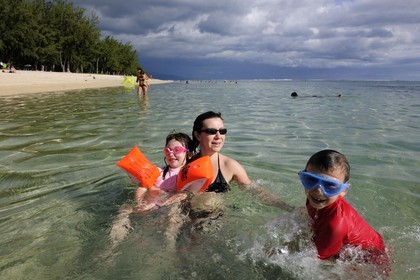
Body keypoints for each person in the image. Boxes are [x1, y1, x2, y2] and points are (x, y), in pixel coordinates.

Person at [299, 149, 389, 269]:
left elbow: (310, 262)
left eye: (330, 186)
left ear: (344, 190)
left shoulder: (335, 225)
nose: (318, 190)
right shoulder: (317, 200)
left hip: (371, 262)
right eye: (311, 180)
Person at [109, 132, 193, 246]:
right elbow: (143, 187)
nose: (171, 153)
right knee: (125, 209)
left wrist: (160, 205)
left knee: (173, 216)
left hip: (169, 206)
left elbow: (183, 195)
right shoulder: (157, 172)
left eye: (177, 150)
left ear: (190, 154)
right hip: (149, 206)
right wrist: (139, 203)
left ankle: (170, 245)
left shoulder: (188, 175)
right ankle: (114, 242)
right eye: (167, 150)